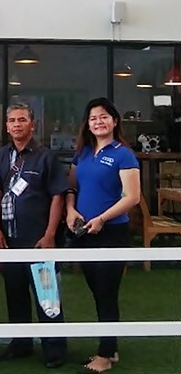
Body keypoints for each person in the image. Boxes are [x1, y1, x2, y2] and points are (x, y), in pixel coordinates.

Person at [0, 102, 68, 368]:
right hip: (9, 238)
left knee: (47, 295)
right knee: (15, 293)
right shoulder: (1, 156)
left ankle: (55, 349)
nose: (16, 125)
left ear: (32, 124)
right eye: (11, 120)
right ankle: (20, 343)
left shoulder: (46, 157)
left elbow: (58, 195)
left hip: (37, 239)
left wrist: (50, 234)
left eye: (21, 120)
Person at [65, 97, 140, 374]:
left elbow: (132, 197)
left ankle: (105, 355)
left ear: (115, 121)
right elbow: (71, 188)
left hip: (112, 232)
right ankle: (111, 345)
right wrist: (71, 211)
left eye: (104, 116)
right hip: (85, 232)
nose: (98, 121)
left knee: (107, 292)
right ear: (88, 123)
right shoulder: (82, 153)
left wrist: (102, 219)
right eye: (93, 117)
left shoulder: (123, 154)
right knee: (98, 291)